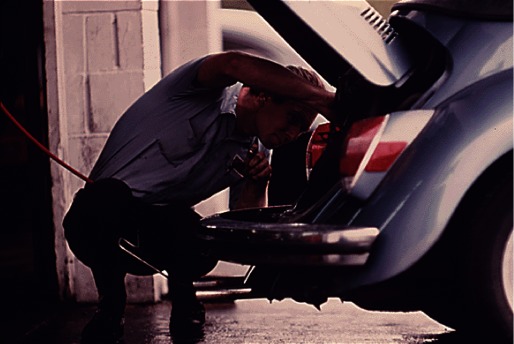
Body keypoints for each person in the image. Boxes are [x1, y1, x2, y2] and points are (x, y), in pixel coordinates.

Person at [63, 51, 336, 343]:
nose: (294, 134)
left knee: (192, 226)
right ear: (263, 97)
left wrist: (257, 184)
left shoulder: (256, 151)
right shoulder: (198, 90)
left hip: (156, 236)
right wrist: (327, 100)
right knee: (106, 195)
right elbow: (234, 63)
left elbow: (246, 235)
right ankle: (111, 308)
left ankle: (186, 300)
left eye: (301, 128)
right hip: (102, 223)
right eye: (293, 119)